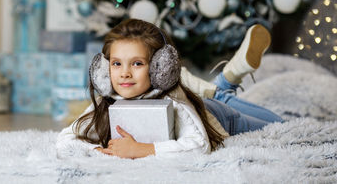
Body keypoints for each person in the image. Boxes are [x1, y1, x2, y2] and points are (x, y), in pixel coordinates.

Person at [56, 19, 283, 159]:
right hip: (197, 101)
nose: (124, 73)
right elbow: (65, 140)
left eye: (137, 63)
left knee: (284, 128)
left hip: (220, 114)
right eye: (116, 64)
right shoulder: (108, 101)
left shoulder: (175, 103)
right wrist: (97, 151)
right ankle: (222, 83)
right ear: (105, 70)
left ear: (159, 68)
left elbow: (199, 146)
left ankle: (222, 88)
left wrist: (143, 149)